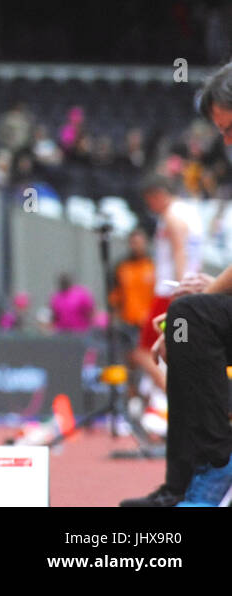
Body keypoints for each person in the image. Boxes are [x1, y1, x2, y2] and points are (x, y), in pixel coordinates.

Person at [123, 62, 232, 506]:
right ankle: (181, 485)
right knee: (186, 324)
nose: (227, 143)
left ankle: (218, 462)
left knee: (186, 319)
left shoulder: (174, 216)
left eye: (231, 129)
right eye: (222, 133)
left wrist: (193, 301)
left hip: (173, 288)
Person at [136, 173, 205, 390]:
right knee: (180, 348)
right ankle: (181, 394)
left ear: (157, 195)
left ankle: (175, 394)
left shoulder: (172, 216)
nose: (150, 206)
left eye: (150, 200)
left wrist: (180, 290)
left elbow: (179, 253)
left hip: (170, 293)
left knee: (143, 352)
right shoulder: (189, 212)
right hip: (190, 292)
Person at [109, 227, 156, 392]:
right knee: (131, 364)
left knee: (151, 361)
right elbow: (115, 297)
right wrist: (114, 321)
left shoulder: (153, 265)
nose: (136, 246)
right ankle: (133, 400)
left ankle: (152, 399)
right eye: (133, 242)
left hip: (150, 322)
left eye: (139, 242)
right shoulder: (122, 266)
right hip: (128, 322)